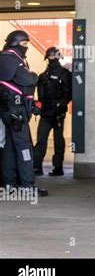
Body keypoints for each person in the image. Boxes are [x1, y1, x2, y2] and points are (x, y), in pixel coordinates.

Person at [0, 30, 47, 196]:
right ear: (15, 42)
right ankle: (27, 185)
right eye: (24, 44)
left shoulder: (7, 59)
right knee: (24, 147)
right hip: (16, 112)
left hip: (10, 111)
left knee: (10, 148)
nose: (26, 47)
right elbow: (28, 79)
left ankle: (9, 184)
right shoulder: (10, 60)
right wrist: (34, 76)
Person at [33, 47, 72, 177]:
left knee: (58, 140)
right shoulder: (43, 76)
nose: (51, 59)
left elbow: (68, 94)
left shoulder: (64, 74)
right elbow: (40, 97)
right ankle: (37, 167)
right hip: (46, 113)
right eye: (50, 57)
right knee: (41, 140)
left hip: (58, 113)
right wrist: (38, 107)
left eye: (53, 57)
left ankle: (58, 167)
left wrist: (60, 106)